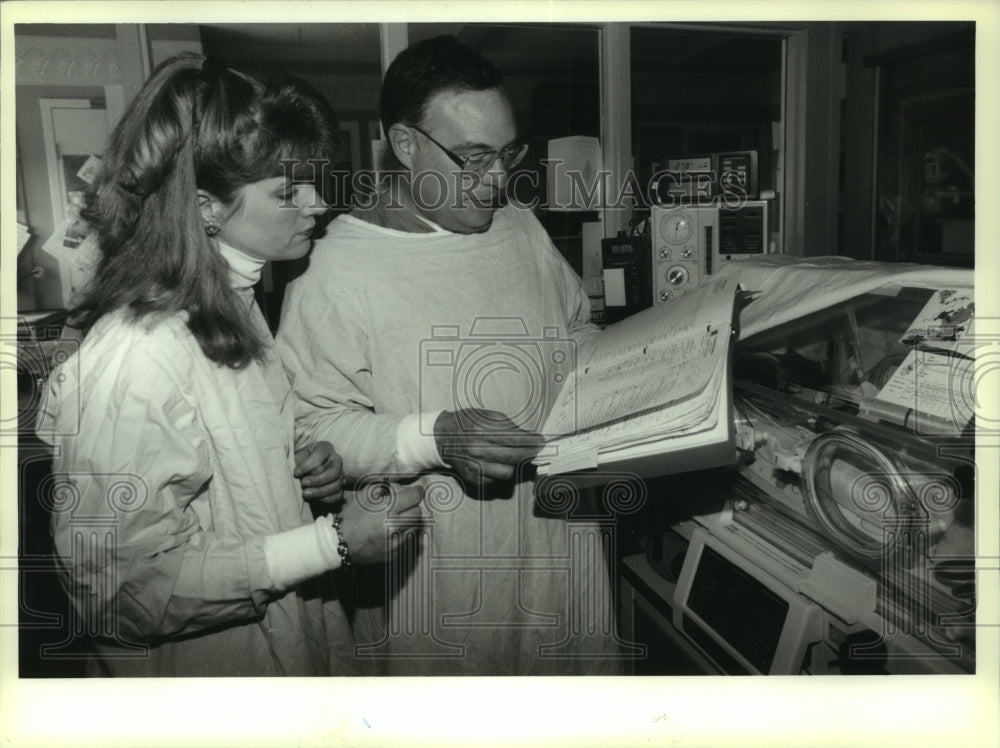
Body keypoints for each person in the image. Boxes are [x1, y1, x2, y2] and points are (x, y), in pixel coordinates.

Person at [34, 52, 423, 677]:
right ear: (208, 205)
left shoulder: (233, 305)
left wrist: (297, 472)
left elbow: (225, 466)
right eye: (288, 190)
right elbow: (121, 590)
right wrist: (334, 542)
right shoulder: (139, 352)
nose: (318, 203)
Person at [276, 36, 623, 675]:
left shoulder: (522, 226)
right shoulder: (332, 267)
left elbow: (575, 331)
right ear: (406, 145)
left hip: (560, 543)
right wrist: (439, 439)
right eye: (473, 157)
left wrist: (646, 366)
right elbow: (313, 429)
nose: (496, 180)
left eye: (507, 153)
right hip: (437, 573)